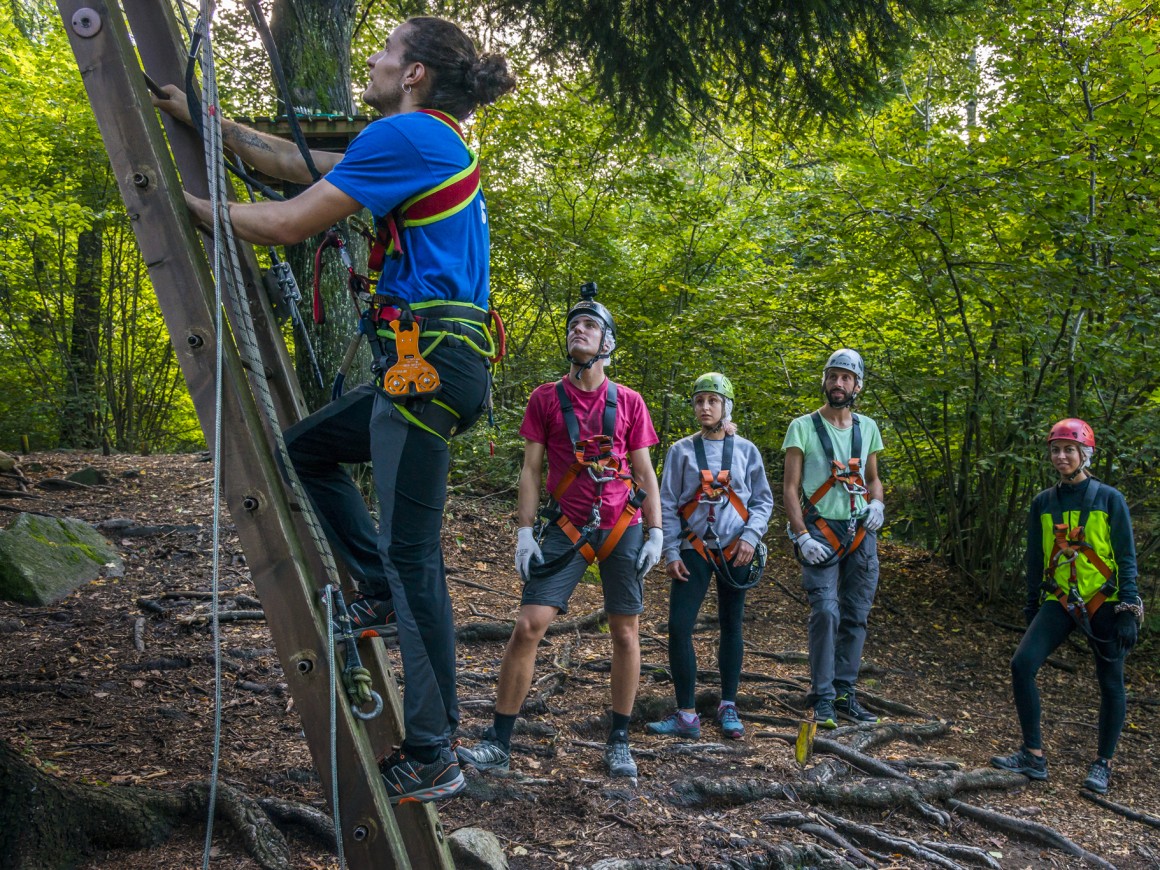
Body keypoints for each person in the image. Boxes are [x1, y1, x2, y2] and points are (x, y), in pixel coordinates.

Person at [154, 16, 516, 803]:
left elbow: (289, 218)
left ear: (415, 73)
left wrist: (185, 204)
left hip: (427, 372)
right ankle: (377, 589)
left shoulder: (411, 135)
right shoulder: (426, 139)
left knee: (417, 558)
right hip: (428, 370)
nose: (376, 61)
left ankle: (434, 751)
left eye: (388, 51)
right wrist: (202, 118)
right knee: (308, 448)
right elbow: (291, 161)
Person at [458, 286, 663, 779]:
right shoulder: (546, 399)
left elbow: (645, 471)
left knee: (625, 632)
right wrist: (524, 532)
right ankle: (499, 741)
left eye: (590, 325)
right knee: (529, 624)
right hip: (566, 526)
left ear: (607, 341)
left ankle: (618, 740)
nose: (579, 330)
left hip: (622, 527)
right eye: (574, 325)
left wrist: (657, 530)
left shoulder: (630, 402)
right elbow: (531, 470)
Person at [991, 418, 1142, 794]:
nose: (1061, 456)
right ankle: (1033, 754)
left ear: (1084, 454)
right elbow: (1034, 559)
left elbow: (1125, 557)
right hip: (1059, 600)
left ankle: (1103, 763)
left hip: (1104, 600)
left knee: (1111, 681)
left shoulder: (1110, 499)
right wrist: (1031, 605)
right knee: (1022, 664)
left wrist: (1128, 609)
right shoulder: (1043, 503)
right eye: (1056, 450)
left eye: (1069, 450)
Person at [646, 373, 773, 740]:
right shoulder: (681, 451)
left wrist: (751, 536)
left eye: (712, 401)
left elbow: (763, 500)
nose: (704, 407)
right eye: (699, 400)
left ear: (725, 406)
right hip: (694, 549)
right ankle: (686, 713)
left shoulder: (746, 450)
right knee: (679, 626)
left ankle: (728, 705)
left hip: (736, 549)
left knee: (732, 624)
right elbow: (667, 502)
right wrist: (671, 550)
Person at [782, 348, 885, 730]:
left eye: (845, 378)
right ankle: (822, 696)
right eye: (832, 377)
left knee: (856, 614)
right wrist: (802, 534)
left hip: (860, 532)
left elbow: (872, 477)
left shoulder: (868, 428)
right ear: (825, 381)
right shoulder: (803, 426)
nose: (838, 384)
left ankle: (845, 693)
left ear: (857, 385)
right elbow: (790, 488)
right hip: (820, 531)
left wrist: (878, 503)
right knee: (826, 611)